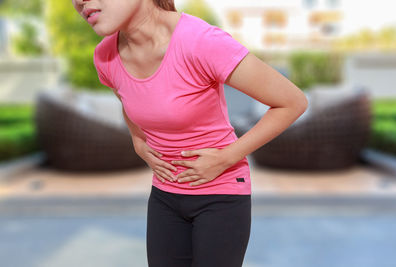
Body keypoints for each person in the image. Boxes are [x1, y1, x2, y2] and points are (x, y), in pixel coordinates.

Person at [71, 0, 308, 266]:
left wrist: (227, 157)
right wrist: (138, 140)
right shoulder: (105, 56)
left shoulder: (201, 42)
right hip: (165, 196)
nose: (80, 1)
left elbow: (292, 102)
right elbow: (129, 100)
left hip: (221, 195)